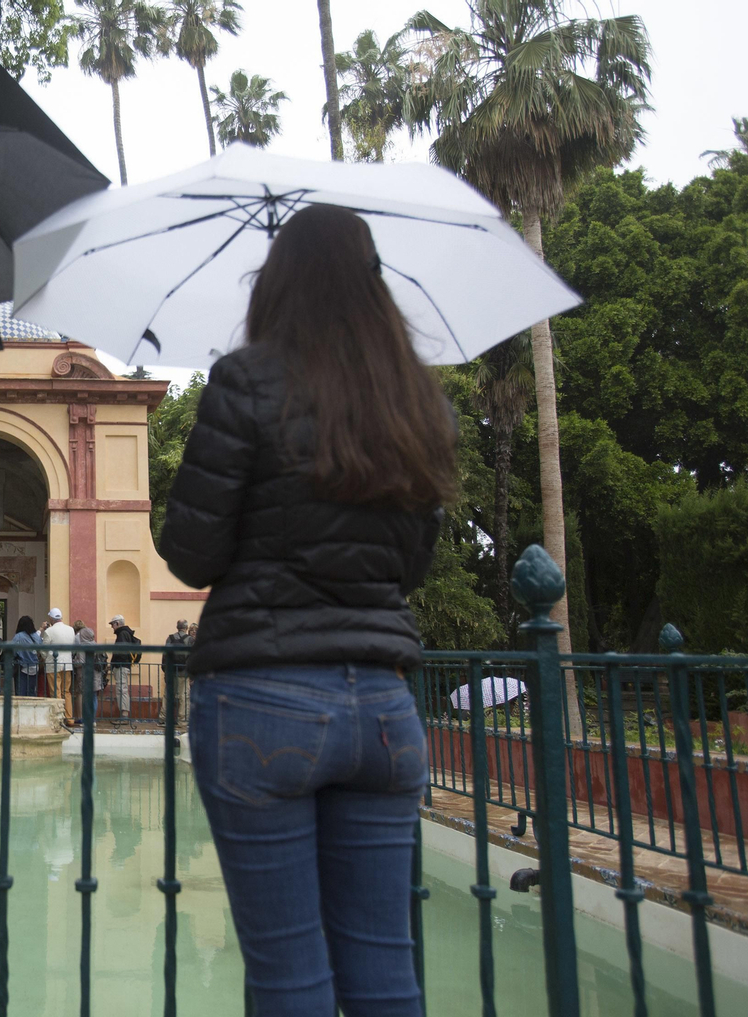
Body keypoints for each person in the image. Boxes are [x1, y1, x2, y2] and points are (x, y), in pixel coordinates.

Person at [159, 204, 452, 1017]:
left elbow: (193, 553)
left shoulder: (247, 381)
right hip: (386, 713)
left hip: (263, 697)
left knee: (289, 977)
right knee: (385, 972)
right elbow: (412, 565)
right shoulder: (416, 404)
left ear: (277, 286)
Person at [41, 608, 76, 722]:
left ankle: (58, 717)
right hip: (67, 664)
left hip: (53, 665)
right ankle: (69, 718)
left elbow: (44, 649)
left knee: (55, 691)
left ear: (51, 618)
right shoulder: (71, 629)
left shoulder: (49, 631)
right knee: (66, 691)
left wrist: (44, 657)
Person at [107, 615, 139, 723]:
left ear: (117, 623)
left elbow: (121, 652)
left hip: (121, 666)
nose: (112, 627)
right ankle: (124, 715)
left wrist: (115, 663)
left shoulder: (122, 634)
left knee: (122, 689)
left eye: (112, 624)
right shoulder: (125, 633)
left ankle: (124, 716)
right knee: (122, 689)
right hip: (123, 665)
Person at [72, 620, 101, 724]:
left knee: (82, 695)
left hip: (84, 674)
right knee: (93, 696)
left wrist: (73, 662)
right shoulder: (96, 645)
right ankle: (92, 719)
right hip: (96, 674)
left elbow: (80, 662)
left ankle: (83, 718)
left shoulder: (82, 647)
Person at [163, 620, 192, 721]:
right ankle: (182, 720)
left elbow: (165, 655)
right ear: (186, 627)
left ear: (177, 627)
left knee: (168, 695)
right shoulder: (189, 639)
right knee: (183, 697)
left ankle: (163, 719)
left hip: (171, 671)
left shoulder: (170, 638)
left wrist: (165, 670)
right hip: (183, 672)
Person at [10, 616, 41, 696]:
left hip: (22, 667)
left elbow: (12, 651)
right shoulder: (35, 636)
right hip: (34, 667)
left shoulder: (19, 636)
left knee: (21, 692)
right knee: (31, 691)